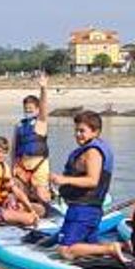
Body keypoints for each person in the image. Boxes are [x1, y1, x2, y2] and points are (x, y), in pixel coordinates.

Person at [51, 110, 114, 259]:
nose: (78, 134)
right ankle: (119, 251)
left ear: (95, 132)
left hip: (84, 210)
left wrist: (63, 180)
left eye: (82, 131)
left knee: (65, 250)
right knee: (89, 250)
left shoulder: (92, 152)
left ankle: (111, 249)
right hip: (83, 210)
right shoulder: (88, 149)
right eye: (76, 131)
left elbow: (93, 180)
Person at [0, 107, 39, 226]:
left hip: (3, 207)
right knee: (30, 219)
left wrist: (31, 209)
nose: (0, 155)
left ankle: (20, 217)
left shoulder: (4, 168)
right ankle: (20, 219)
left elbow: (17, 192)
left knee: (39, 210)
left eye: (3, 152)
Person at [12, 71, 51, 209]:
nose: (28, 111)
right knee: (17, 192)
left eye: (30, 109)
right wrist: (12, 167)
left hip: (38, 164)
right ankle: (21, 211)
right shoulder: (19, 125)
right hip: (21, 165)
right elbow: (14, 148)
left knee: (40, 193)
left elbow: (44, 108)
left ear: (37, 109)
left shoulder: (41, 123)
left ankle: (47, 209)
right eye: (26, 109)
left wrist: (43, 89)